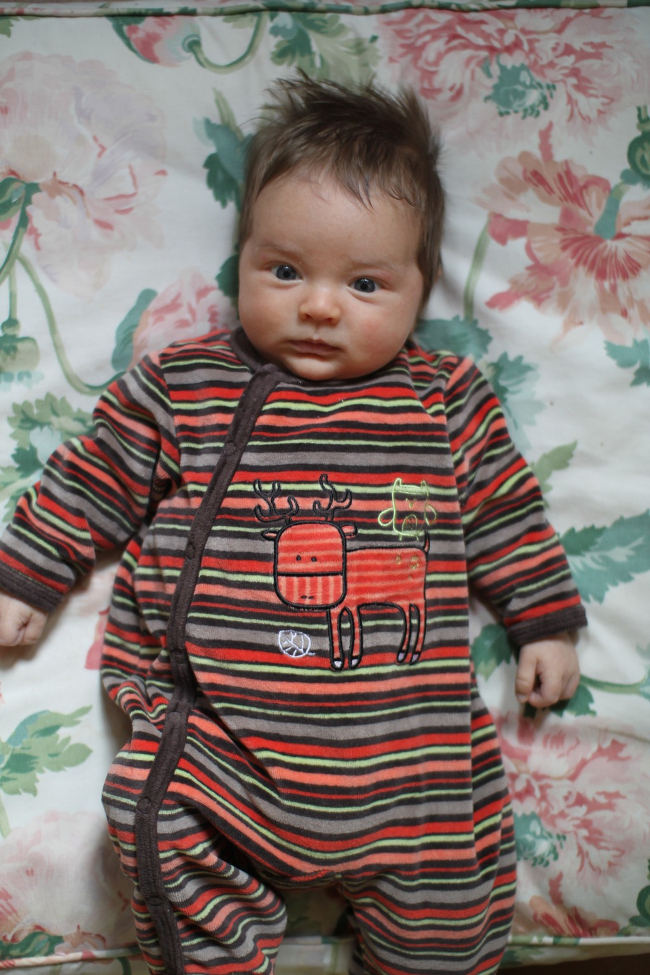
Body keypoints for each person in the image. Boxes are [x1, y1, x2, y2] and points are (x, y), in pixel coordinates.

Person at [0, 76, 585, 975]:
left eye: (365, 283)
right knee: (151, 813)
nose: (318, 305)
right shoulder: (188, 385)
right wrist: (27, 573)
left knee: (452, 909)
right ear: (242, 259)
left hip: (413, 764)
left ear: (421, 287)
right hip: (221, 744)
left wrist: (541, 620)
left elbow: (505, 508)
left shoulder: (444, 398)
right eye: (284, 271)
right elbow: (93, 474)